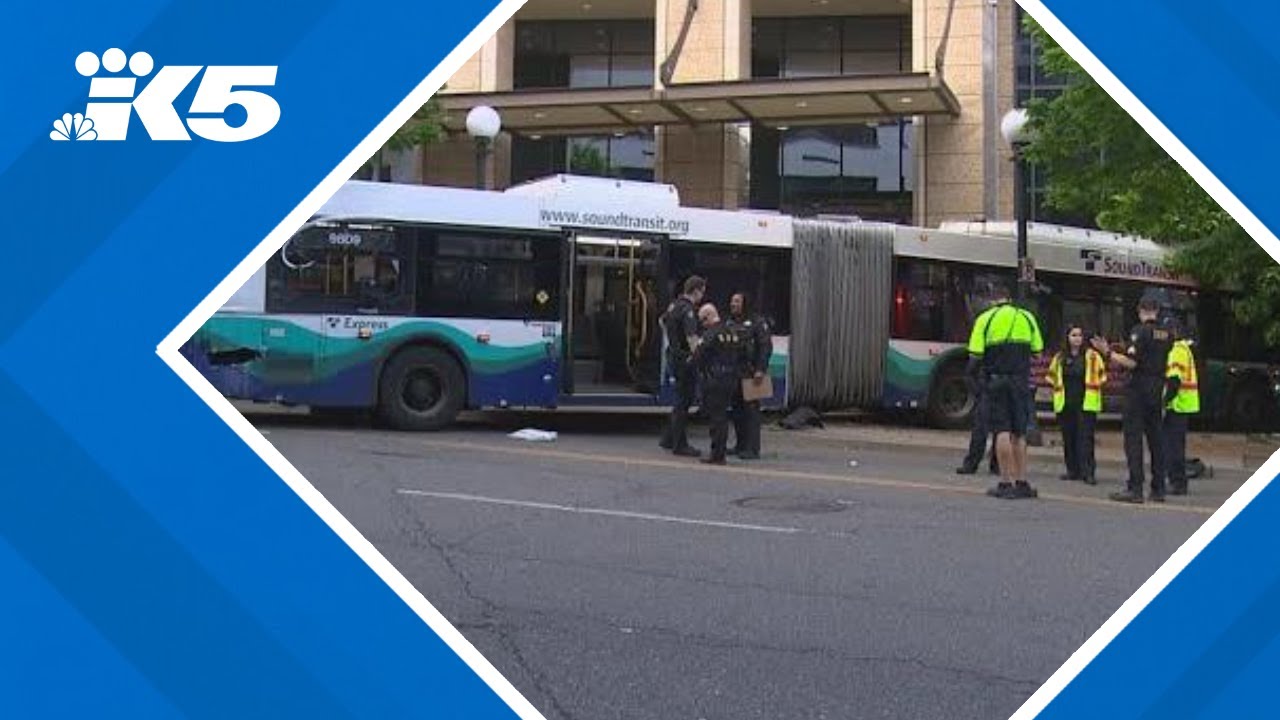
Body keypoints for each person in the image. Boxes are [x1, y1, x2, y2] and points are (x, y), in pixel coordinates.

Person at [1091, 296, 1173, 503]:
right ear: (1157, 310)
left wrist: (1107, 352)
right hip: (1157, 387)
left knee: (1134, 439)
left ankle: (1135, 488)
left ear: (1140, 310)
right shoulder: (1167, 334)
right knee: (1156, 439)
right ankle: (1159, 488)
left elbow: (1131, 362)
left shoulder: (1140, 331)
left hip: (1138, 389)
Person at [968, 280, 1045, 500]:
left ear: (993, 300)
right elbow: (1038, 353)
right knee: (1019, 432)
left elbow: (974, 355)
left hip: (996, 381)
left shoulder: (985, 319)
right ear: (1010, 299)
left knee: (1001, 431)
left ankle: (1005, 482)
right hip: (1020, 382)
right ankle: (1022, 482)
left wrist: (977, 381)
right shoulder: (1027, 318)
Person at [1047, 325, 1107, 485]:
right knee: (1069, 438)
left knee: (1085, 438)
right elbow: (1052, 377)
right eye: (1073, 335)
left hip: (1086, 402)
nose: (1077, 338)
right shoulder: (1060, 357)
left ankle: (1088, 472)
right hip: (1066, 403)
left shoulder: (1093, 356)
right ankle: (1072, 470)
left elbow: (1102, 377)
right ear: (1067, 337)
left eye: (1080, 335)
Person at [692, 303, 748, 465]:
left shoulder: (710, 334)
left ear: (709, 317)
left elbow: (698, 355)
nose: (702, 324)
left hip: (715, 379)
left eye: (703, 321)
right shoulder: (732, 331)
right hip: (731, 379)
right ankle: (719, 452)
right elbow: (744, 353)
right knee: (722, 416)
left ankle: (717, 455)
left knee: (717, 419)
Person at [659, 276, 707, 457]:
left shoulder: (674, 305)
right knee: (684, 401)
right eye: (702, 291)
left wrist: (673, 341)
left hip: (673, 355)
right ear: (696, 290)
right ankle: (680, 445)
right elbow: (692, 337)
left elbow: (661, 321)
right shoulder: (688, 310)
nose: (703, 295)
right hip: (685, 360)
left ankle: (668, 438)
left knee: (680, 399)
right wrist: (697, 356)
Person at [725, 292, 772, 460]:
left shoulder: (757, 322)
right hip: (734, 373)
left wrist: (761, 369)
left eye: (737, 301)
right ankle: (740, 445)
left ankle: (752, 449)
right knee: (737, 411)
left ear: (745, 303)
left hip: (751, 373)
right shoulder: (729, 322)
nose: (733, 304)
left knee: (751, 412)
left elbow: (765, 346)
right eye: (732, 301)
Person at [1163, 326, 1200, 496]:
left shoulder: (1176, 350)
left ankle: (1177, 483)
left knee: (1173, 447)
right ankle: (1177, 481)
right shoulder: (1184, 349)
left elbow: (1174, 381)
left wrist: (1163, 402)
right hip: (1183, 404)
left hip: (1178, 405)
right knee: (1175, 445)